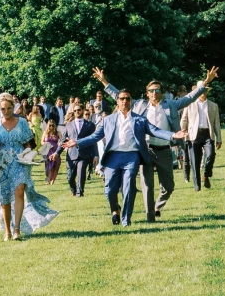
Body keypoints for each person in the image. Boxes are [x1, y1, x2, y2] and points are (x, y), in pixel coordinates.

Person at [63, 77, 188, 228]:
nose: (124, 101)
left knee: (129, 188)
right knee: (109, 190)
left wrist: (173, 135)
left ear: (130, 101)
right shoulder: (108, 120)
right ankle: (115, 209)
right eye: (121, 99)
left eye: (127, 99)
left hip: (131, 157)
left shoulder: (139, 120)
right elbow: (95, 136)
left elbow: (155, 131)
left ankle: (126, 220)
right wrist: (77, 142)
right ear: (117, 101)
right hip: (113, 157)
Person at [100, 66, 215, 221]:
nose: (155, 93)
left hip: (164, 150)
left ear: (162, 92)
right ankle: (150, 216)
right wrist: (104, 81)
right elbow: (118, 96)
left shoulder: (170, 105)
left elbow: (189, 98)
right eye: (152, 91)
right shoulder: (139, 105)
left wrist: (205, 82)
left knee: (169, 186)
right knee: (147, 186)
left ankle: (157, 206)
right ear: (147, 93)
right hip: (145, 150)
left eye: (158, 90)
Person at [0, 94, 34, 241]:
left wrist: (27, 155)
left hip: (20, 161)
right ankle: (7, 230)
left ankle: (17, 229)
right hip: (2, 163)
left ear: (13, 107)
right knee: (5, 198)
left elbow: (28, 142)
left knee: (19, 192)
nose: (6, 111)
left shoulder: (22, 122)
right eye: (3, 109)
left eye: (9, 108)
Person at [178, 85, 222, 191]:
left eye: (205, 90)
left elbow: (216, 123)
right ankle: (197, 185)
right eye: (201, 90)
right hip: (193, 135)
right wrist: (182, 132)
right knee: (195, 160)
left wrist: (219, 138)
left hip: (207, 134)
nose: (203, 92)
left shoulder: (213, 105)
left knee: (211, 155)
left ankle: (206, 174)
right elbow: (184, 119)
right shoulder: (189, 104)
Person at [65, 108, 96, 197]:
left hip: (84, 154)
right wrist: (56, 153)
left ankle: (80, 193)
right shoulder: (69, 125)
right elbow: (63, 140)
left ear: (82, 110)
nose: (77, 112)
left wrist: (95, 155)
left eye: (78, 110)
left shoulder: (90, 125)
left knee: (81, 173)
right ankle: (73, 189)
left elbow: (93, 141)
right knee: (70, 177)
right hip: (71, 154)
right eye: (75, 111)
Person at [42, 120, 62, 185]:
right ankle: (48, 179)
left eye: (53, 125)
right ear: (48, 126)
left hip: (55, 150)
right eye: (50, 125)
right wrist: (46, 144)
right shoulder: (45, 132)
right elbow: (42, 141)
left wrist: (59, 143)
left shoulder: (58, 133)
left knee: (56, 166)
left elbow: (62, 140)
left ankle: (53, 180)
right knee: (49, 166)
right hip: (48, 150)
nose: (51, 127)